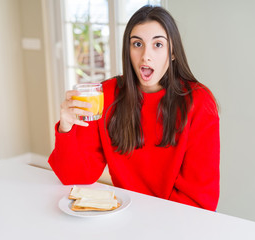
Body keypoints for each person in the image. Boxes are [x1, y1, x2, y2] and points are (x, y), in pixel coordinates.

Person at [48, 5, 220, 211]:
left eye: (158, 44)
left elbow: (199, 199)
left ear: (172, 53)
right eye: (137, 44)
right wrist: (66, 128)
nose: (146, 55)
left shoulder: (199, 102)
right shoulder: (107, 95)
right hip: (125, 217)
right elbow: (74, 177)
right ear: (128, 51)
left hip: (173, 222)